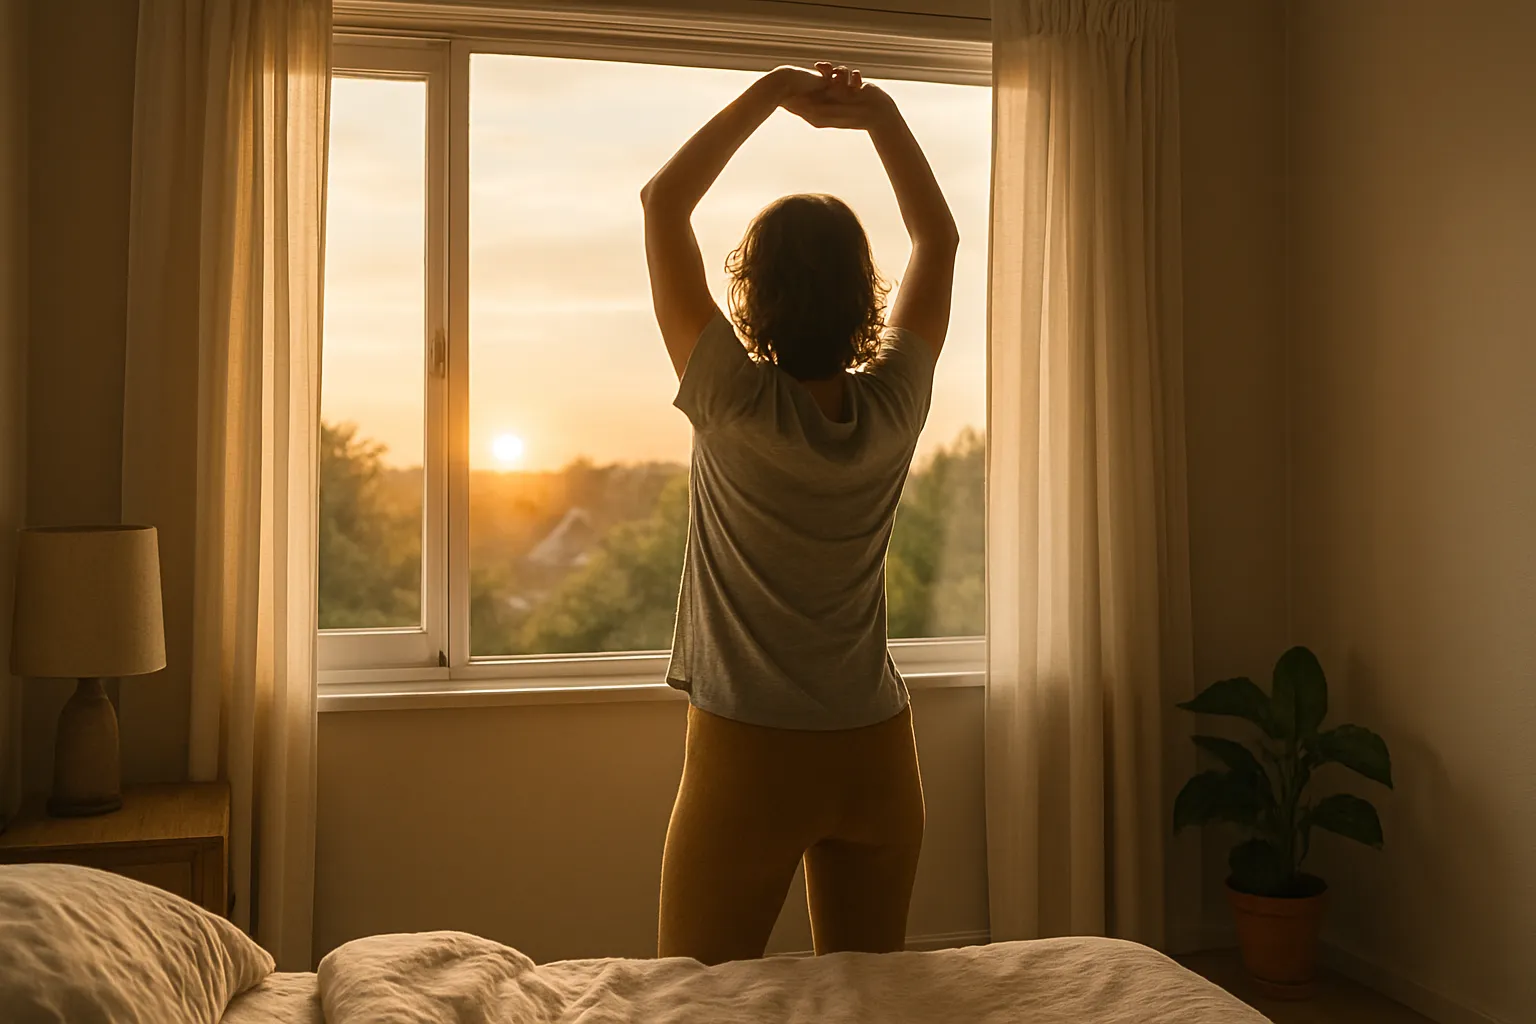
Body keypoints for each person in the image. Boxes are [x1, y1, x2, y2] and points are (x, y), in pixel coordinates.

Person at [640, 61, 959, 966]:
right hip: (877, 752)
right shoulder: (894, 403)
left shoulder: (731, 400)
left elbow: (664, 203)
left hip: (753, 756)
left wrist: (772, 92)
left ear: (753, 295)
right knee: (864, 1004)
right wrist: (881, 115)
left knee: (692, 998)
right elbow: (937, 238)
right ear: (865, 297)